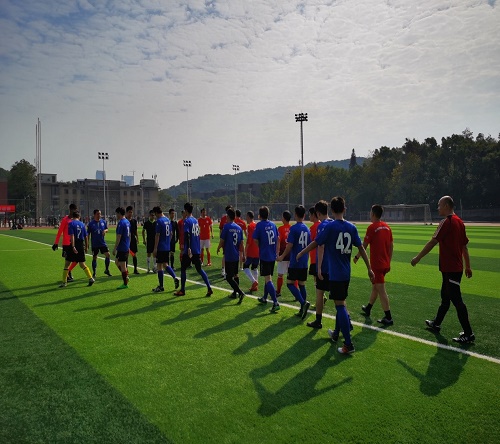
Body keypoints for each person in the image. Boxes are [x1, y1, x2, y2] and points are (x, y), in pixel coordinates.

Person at [314, 197, 374, 354]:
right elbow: (361, 248)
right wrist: (369, 268)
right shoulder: (351, 227)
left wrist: (302, 253)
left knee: (340, 305)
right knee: (340, 302)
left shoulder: (330, 226)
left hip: (335, 274)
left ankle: (348, 344)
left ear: (332, 210)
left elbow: (318, 243)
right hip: (346, 273)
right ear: (344, 209)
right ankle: (336, 333)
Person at [411, 195, 474, 344]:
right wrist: (468, 266)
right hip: (453, 268)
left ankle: (468, 333)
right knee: (445, 296)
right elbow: (464, 247)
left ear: (446, 206)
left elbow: (433, 242)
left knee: (456, 299)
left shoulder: (447, 222)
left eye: (439, 205)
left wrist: (418, 258)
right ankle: (436, 323)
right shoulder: (460, 222)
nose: (438, 208)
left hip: (451, 268)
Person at [354, 204, 394, 325]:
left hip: (377, 264)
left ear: (373, 214)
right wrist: (389, 261)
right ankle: (368, 308)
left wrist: (357, 256)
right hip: (385, 263)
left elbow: (364, 246)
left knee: (381, 289)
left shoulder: (372, 228)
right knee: (376, 286)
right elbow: (391, 246)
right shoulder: (387, 227)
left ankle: (388, 317)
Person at [298, 200, 331, 329]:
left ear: (317, 213)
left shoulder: (320, 226)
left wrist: (302, 253)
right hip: (333, 265)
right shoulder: (333, 224)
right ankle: (347, 321)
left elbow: (319, 244)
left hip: (322, 264)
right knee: (339, 298)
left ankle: (318, 320)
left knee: (319, 291)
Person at [278, 205, 311, 320]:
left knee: (290, 283)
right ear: (304, 215)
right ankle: (302, 309)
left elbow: (290, 245)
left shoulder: (294, 228)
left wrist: (282, 256)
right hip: (304, 260)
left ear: (296, 215)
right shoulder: (307, 229)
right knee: (302, 284)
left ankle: (303, 303)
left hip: (295, 260)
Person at [174, 202, 213, 297]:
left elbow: (187, 235)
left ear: (186, 210)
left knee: (183, 268)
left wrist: (188, 248)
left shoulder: (187, 221)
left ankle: (182, 290)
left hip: (189, 250)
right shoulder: (195, 220)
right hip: (196, 249)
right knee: (199, 269)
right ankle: (209, 288)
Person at [253, 206, 280, 313]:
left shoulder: (259, 225)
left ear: (259, 215)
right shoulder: (273, 224)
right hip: (272, 255)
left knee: (268, 279)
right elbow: (277, 238)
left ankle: (275, 302)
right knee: (267, 277)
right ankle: (264, 297)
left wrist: (261, 246)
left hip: (265, 255)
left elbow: (255, 239)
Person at [59, 211, 94, 287]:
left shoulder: (71, 223)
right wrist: (86, 247)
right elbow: (86, 236)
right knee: (82, 264)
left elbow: (72, 236)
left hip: (73, 244)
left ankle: (64, 282)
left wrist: (73, 246)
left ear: (73, 217)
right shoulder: (82, 224)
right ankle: (90, 278)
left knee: (67, 264)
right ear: (79, 216)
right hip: (81, 245)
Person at [217, 207, 245, 303]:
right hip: (236, 255)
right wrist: (244, 255)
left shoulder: (226, 226)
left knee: (229, 277)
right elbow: (242, 243)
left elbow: (222, 240)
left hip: (229, 255)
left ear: (228, 216)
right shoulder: (239, 228)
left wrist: (218, 247)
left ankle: (240, 292)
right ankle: (235, 293)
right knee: (236, 274)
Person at [152, 206, 180, 293]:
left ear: (157, 213)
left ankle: (161, 286)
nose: (155, 216)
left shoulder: (159, 221)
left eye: (155, 214)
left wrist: (155, 248)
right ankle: (175, 277)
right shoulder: (168, 220)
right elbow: (171, 234)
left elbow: (157, 235)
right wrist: (168, 242)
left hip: (161, 247)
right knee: (165, 264)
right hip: (167, 246)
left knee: (160, 266)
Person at [53, 203, 78, 282]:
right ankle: (66, 276)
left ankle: (69, 271)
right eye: (74, 210)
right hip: (66, 244)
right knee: (67, 261)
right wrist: (56, 243)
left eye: (76, 210)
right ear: (70, 209)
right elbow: (60, 231)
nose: (75, 211)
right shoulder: (65, 220)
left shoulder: (75, 220)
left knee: (77, 260)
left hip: (74, 243)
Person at [87, 209, 112, 278]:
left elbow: (107, 229)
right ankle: (94, 272)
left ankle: (107, 270)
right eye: (98, 214)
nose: (99, 215)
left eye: (100, 214)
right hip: (95, 244)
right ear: (94, 215)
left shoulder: (103, 222)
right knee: (95, 257)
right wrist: (87, 243)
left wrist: (105, 231)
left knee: (108, 255)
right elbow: (88, 234)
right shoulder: (91, 224)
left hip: (102, 243)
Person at [113, 207, 131, 289]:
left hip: (122, 247)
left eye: (116, 213)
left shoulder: (121, 223)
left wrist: (115, 248)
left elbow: (119, 236)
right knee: (117, 262)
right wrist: (128, 245)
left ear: (119, 213)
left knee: (123, 266)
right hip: (125, 246)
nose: (116, 215)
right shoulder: (127, 221)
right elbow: (129, 235)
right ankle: (126, 276)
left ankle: (125, 283)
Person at [243, 211, 259, 293]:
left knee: (245, 267)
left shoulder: (250, 226)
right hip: (258, 250)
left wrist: (245, 251)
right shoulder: (257, 225)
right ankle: (255, 286)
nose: (246, 218)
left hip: (251, 250)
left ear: (249, 217)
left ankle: (254, 281)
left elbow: (249, 240)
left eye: (246, 217)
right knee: (254, 267)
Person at [276, 210, 292, 297]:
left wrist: (277, 254)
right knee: (292, 275)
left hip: (283, 254)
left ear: (284, 218)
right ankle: (296, 293)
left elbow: (278, 242)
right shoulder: (292, 228)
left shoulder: (280, 229)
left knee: (280, 275)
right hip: (291, 255)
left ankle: (278, 291)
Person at [219, 205, 232, 277]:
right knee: (225, 254)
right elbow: (221, 229)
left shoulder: (233, 218)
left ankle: (229, 270)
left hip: (231, 240)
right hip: (226, 240)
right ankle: (223, 270)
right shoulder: (223, 219)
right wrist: (221, 239)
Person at [126, 206, 139, 274]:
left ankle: (135, 269)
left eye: (131, 212)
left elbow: (136, 230)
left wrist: (137, 238)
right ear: (126, 213)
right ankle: (126, 270)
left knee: (134, 254)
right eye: (129, 212)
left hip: (133, 239)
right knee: (126, 255)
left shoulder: (134, 221)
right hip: (126, 239)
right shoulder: (125, 221)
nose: (130, 213)